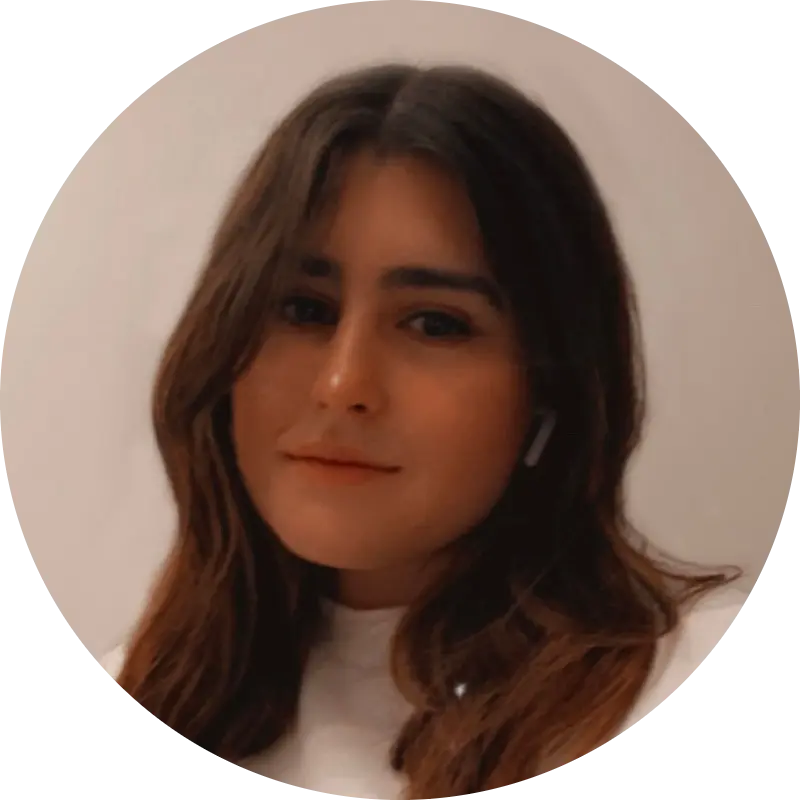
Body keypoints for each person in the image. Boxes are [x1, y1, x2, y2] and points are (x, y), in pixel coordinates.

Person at [99, 63, 746, 797]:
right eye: (304, 309)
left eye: (435, 324)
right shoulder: (142, 686)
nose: (342, 385)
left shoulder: (678, 673)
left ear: (551, 389)